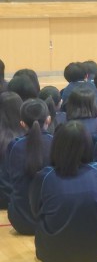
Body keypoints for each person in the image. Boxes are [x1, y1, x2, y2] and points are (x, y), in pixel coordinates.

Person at [30, 121, 97, 262]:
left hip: (51, 254)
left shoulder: (45, 176)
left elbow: (35, 211)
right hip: (95, 252)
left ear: (56, 146)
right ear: (88, 145)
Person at [7, 99, 53, 234]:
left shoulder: (14, 145)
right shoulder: (56, 142)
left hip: (20, 221)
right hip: (51, 220)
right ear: (48, 120)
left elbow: (12, 180)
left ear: (22, 123)